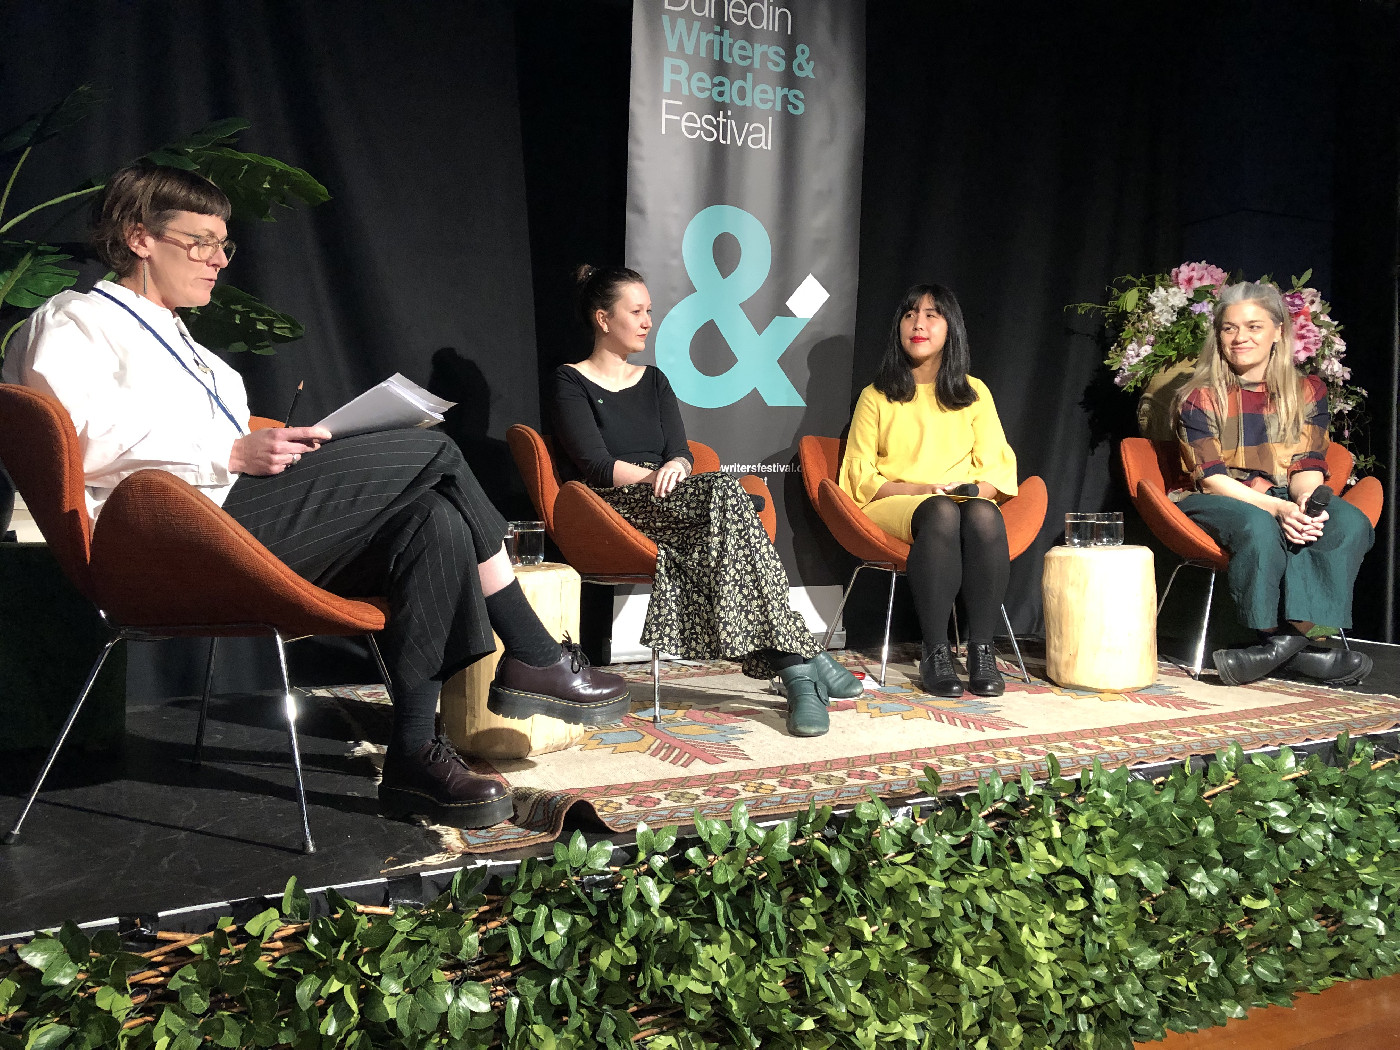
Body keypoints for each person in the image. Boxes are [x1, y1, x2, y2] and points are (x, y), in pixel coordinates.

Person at [2, 162, 629, 830]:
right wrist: (231, 450)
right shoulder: (77, 321)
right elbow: (75, 438)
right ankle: (532, 654)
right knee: (437, 452)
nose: (218, 261)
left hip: (234, 527)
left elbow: (229, 457)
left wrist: (294, 455)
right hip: (158, 546)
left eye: (225, 245)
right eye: (201, 243)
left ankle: (415, 755)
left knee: (432, 520)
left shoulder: (202, 356)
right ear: (139, 237)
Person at [549, 265, 863, 738]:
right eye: (636, 312)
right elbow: (595, 464)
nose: (647, 321)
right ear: (602, 318)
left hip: (674, 498)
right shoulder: (570, 380)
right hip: (615, 507)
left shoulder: (654, 380)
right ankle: (805, 658)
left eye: (649, 311)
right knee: (724, 494)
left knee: (722, 502)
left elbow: (679, 448)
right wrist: (659, 476)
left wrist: (675, 466)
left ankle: (798, 671)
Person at [1174, 281, 1374, 687]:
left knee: (1350, 524)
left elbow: (1308, 462)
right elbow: (1211, 479)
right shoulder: (1199, 397)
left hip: (1285, 491)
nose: (1240, 337)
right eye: (1229, 328)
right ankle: (1273, 641)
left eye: (1253, 326)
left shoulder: (1306, 391)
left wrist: (1300, 503)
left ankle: (1280, 649)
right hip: (1220, 496)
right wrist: (1278, 509)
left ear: (1278, 331)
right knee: (1258, 526)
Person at [839, 284, 1018, 698]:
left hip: (959, 500)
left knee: (981, 512)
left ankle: (981, 649)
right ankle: (935, 650)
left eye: (932, 314)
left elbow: (997, 466)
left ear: (950, 328)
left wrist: (975, 489)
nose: (918, 323)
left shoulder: (974, 393)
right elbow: (861, 475)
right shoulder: (876, 395)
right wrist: (921, 487)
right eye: (909, 314)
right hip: (894, 503)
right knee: (939, 510)